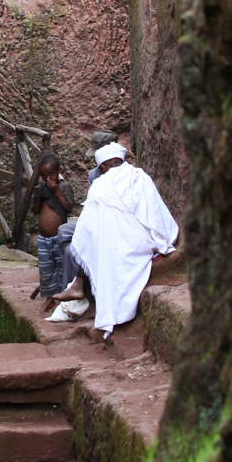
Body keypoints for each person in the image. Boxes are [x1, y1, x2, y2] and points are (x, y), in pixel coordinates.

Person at [59, 144, 179, 348]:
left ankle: (88, 295)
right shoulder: (140, 176)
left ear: (104, 166)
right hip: (143, 242)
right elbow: (156, 214)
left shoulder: (100, 185)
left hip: (118, 245)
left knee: (103, 252)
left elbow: (88, 229)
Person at [55, 129, 120, 300]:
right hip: (94, 218)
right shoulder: (94, 174)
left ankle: (76, 287)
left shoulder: (126, 174)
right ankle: (71, 280)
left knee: (71, 250)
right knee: (63, 232)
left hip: (111, 222)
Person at [31, 152, 73, 310]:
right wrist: (38, 198)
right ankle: (49, 298)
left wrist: (56, 191)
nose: (48, 179)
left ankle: (62, 297)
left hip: (59, 237)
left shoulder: (64, 187)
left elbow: (68, 207)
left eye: (51, 174)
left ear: (59, 171)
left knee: (62, 268)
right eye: (44, 176)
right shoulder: (41, 189)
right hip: (43, 239)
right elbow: (35, 211)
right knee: (46, 270)